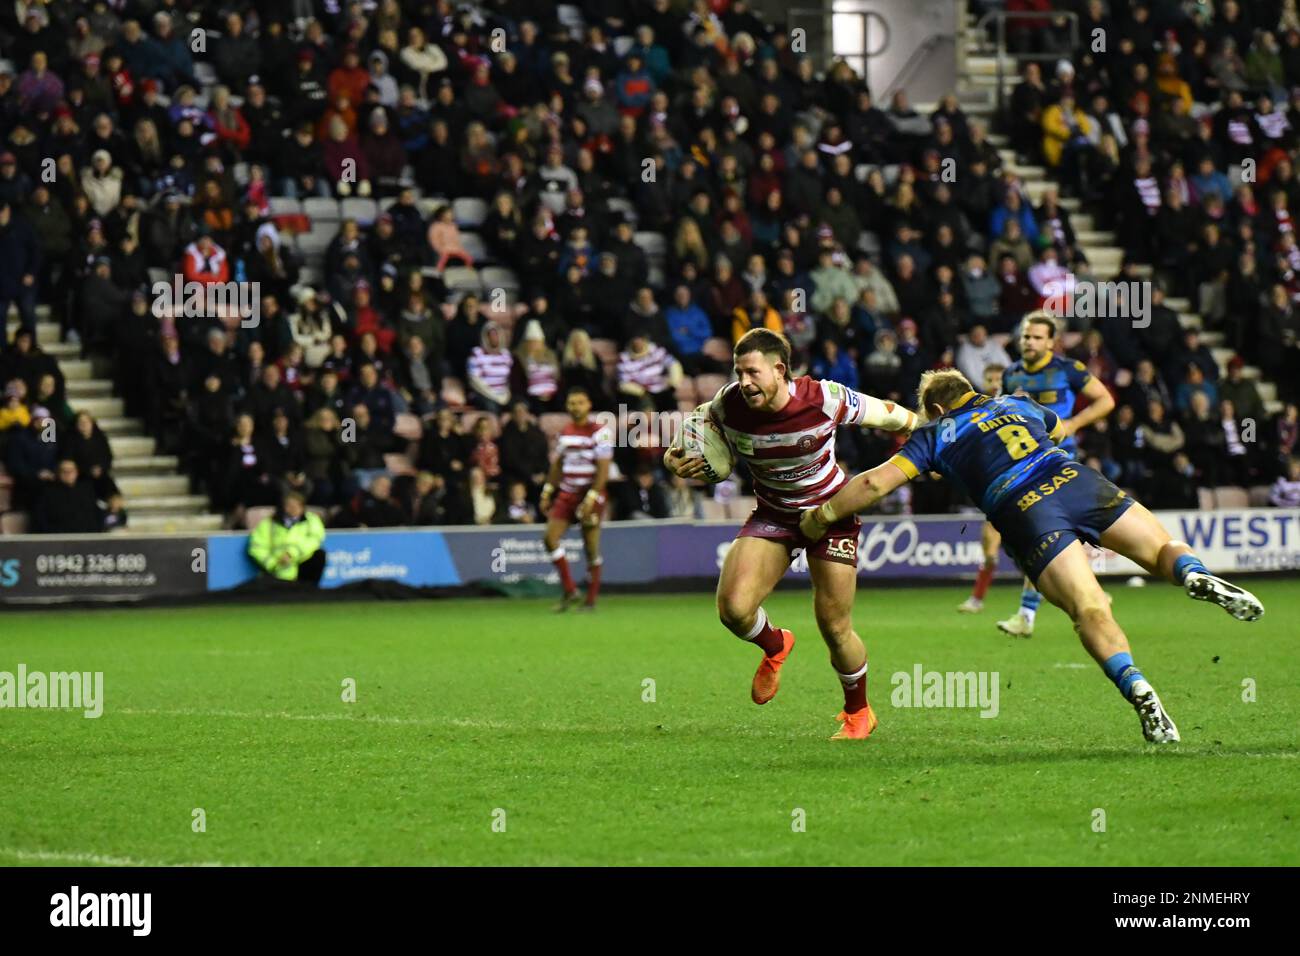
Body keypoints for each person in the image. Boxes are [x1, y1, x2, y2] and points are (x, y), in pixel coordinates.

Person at [800, 368, 1264, 745]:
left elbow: (875, 483)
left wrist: (821, 515)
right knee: (1163, 547)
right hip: (1072, 478)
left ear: (938, 408)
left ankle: (1138, 687)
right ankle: (1193, 574)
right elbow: (1058, 430)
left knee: (1090, 609)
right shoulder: (1017, 401)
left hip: (1024, 510)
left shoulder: (935, 433)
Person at [663, 329, 917, 740]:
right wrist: (673, 459)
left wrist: (931, 434)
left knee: (834, 627)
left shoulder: (825, 398)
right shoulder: (729, 404)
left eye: (752, 372)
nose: (744, 382)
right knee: (733, 609)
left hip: (830, 513)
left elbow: (891, 415)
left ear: (779, 370)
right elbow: (692, 432)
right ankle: (775, 644)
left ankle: (859, 712)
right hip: (775, 515)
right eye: (738, 372)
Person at [995, 311, 1114, 637]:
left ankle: (1028, 615)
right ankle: (1091, 594)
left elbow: (1105, 400)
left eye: (1035, 337)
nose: (1029, 342)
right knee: (1044, 539)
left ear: (1051, 342)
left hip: (1059, 463)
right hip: (1022, 464)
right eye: (1025, 337)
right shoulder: (1011, 375)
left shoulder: (1068, 369)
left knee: (1040, 536)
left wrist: (1073, 424)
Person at [539, 386, 613, 612]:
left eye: (580, 402)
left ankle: (590, 600)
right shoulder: (565, 432)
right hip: (567, 493)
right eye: (572, 403)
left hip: (590, 494)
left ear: (589, 405)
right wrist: (548, 491)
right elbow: (557, 465)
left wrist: (591, 497)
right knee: (550, 539)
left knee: (590, 547)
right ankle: (570, 590)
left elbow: (603, 469)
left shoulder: (601, 432)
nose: (575, 407)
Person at [957, 363, 1007, 614]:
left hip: (1017, 483)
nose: (994, 382)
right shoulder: (977, 411)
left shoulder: (1013, 406)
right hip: (993, 487)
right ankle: (977, 599)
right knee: (990, 550)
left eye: (998, 377)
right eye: (990, 378)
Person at [247, 490, 327, 585]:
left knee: (319, 554)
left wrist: (291, 554)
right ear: (283, 507)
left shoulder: (311, 521)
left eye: (297, 505)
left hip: (302, 563)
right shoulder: (269, 523)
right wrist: (273, 563)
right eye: (289, 505)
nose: (293, 509)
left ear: (302, 507)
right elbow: (257, 547)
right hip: (276, 567)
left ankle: (310, 588)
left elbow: (314, 540)